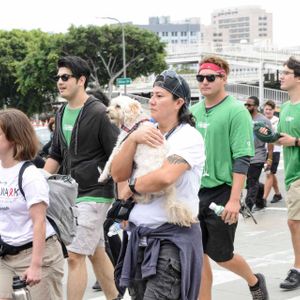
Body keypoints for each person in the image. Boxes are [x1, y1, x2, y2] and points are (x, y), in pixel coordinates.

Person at [111, 70, 205, 300]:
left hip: (170, 241)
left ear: (179, 102)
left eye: (160, 95)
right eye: (151, 94)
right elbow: (117, 173)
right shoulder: (143, 133)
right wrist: (132, 139)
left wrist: (131, 187)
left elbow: (165, 177)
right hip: (138, 240)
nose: (152, 100)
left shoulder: (188, 136)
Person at [190, 55, 269, 300]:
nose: (204, 82)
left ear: (223, 78)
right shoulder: (192, 111)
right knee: (197, 253)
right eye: (200, 77)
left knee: (221, 254)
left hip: (222, 191)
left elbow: (242, 159)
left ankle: (255, 281)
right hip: (194, 192)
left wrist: (235, 200)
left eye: (210, 77)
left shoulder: (236, 111)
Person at [44, 56, 119, 300]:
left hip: (95, 193)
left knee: (75, 255)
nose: (59, 81)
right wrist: (39, 180)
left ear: (81, 80)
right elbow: (55, 153)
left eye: (65, 77)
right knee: (96, 252)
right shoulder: (62, 110)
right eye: (57, 77)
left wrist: (124, 193)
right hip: (71, 194)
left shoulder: (99, 112)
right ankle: (116, 297)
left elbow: (117, 152)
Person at [0, 108, 64, 300]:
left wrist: (35, 265)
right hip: (7, 256)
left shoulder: (30, 175)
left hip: (39, 255)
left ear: (14, 138)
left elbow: (39, 222)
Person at [276, 56, 300, 290]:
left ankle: (297, 269)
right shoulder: (284, 108)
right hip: (291, 174)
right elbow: (284, 138)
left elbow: (293, 140)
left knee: (294, 223)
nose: (281, 77)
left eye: (286, 73)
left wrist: (296, 140)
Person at [244, 96, 273, 212]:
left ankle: (248, 207)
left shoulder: (264, 121)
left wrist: (269, 159)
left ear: (256, 106)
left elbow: (270, 140)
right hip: (244, 155)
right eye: (246, 104)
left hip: (258, 155)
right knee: (251, 182)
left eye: (249, 105)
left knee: (251, 181)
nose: (247, 107)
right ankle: (260, 198)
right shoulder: (244, 118)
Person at [262, 100, 283, 204]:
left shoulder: (278, 121)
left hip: (274, 151)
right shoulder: (261, 120)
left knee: (269, 173)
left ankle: (264, 199)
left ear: (274, 110)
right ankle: (278, 194)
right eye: (266, 109)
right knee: (271, 173)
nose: (268, 111)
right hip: (262, 150)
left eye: (270, 109)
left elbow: (280, 136)